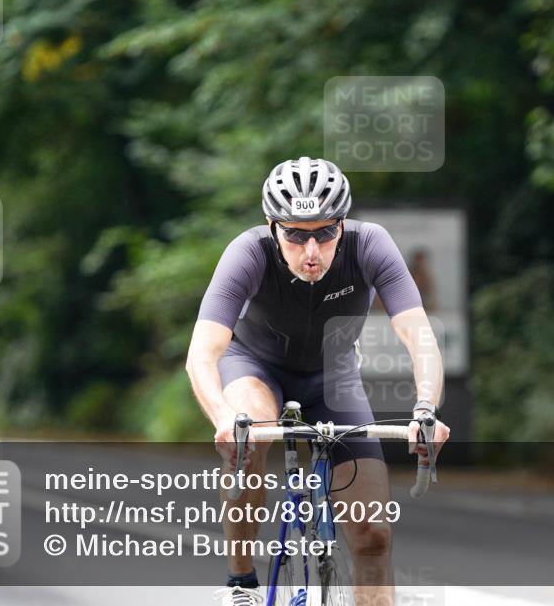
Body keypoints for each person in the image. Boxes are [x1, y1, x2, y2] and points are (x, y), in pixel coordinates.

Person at [186, 157, 450, 606]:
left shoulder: (371, 245)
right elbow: (201, 354)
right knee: (250, 432)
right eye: (295, 234)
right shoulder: (246, 253)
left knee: (372, 536)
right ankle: (241, 580)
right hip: (254, 365)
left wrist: (426, 408)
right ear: (272, 226)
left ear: (343, 224)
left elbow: (419, 336)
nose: (312, 251)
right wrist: (224, 418)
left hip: (333, 375)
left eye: (326, 233)